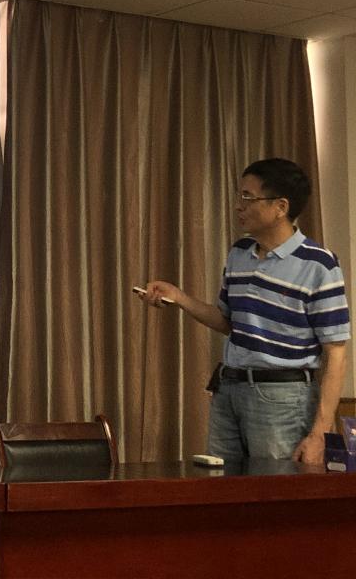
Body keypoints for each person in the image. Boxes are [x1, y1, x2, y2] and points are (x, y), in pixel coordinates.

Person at [142, 158, 350, 464]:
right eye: (239, 195)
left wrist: (319, 432)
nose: (239, 205)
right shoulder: (239, 253)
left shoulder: (319, 264)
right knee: (221, 483)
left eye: (248, 197)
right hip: (229, 388)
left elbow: (336, 353)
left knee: (274, 486)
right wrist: (180, 298)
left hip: (282, 397)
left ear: (280, 207)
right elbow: (228, 322)